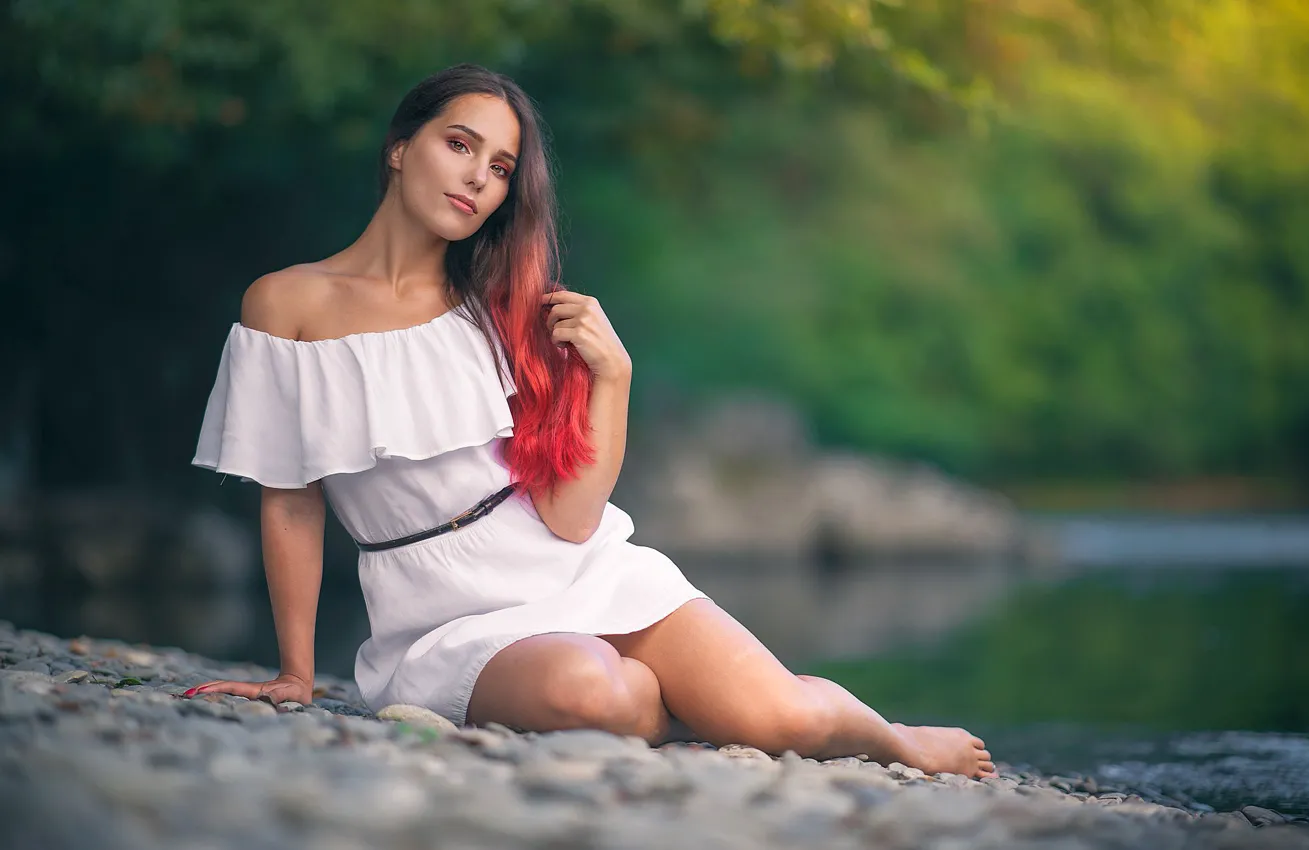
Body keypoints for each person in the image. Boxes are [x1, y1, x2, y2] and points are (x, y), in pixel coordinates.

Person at [186, 64, 995, 779]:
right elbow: (290, 499)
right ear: (401, 147)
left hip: (579, 568)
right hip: (440, 617)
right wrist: (296, 672)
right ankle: (695, 707)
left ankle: (894, 741)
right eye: (459, 145)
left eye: (500, 167)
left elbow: (570, 520)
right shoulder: (286, 303)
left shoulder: (504, 313)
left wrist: (615, 377)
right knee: (592, 690)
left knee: (785, 720)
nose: (477, 179)